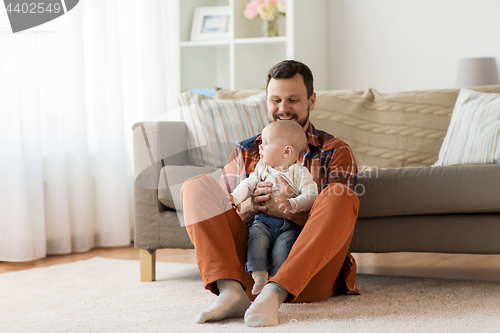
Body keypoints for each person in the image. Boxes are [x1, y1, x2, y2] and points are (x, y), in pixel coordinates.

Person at [181, 60, 360, 327]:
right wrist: (252, 208)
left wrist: (288, 209)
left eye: (293, 100)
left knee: (341, 195)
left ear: (311, 100)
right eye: (275, 100)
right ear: (266, 100)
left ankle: (274, 294)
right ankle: (231, 292)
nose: (283, 108)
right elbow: (224, 218)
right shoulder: (246, 151)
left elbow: (338, 222)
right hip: (250, 275)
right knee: (194, 186)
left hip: (309, 278)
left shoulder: (334, 151)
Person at [230, 120, 318, 295]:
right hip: (264, 221)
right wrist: (234, 198)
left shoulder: (299, 173)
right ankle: (259, 276)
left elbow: (311, 195)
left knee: (283, 248)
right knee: (255, 238)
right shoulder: (263, 168)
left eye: (266, 143)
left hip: (289, 226)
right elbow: (248, 184)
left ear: (287, 151)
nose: (260, 147)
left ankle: (277, 282)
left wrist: (292, 203)